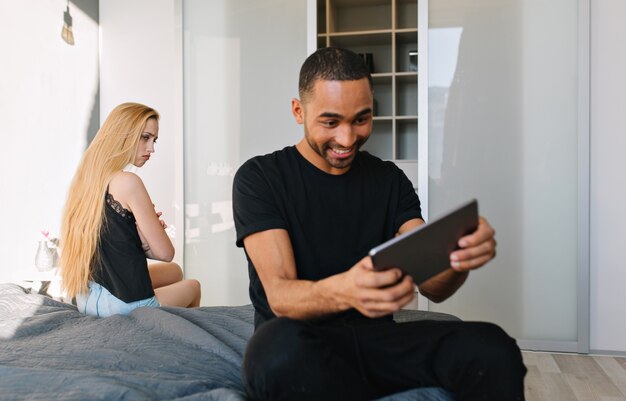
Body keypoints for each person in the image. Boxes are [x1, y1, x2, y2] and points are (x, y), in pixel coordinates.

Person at [233, 47, 526, 401]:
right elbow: (280, 296)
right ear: (299, 111)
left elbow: (435, 287)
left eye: (361, 119)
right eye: (330, 122)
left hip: (377, 343)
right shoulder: (260, 177)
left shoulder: (389, 180)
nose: (347, 138)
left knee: (492, 346)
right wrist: (347, 289)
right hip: (302, 342)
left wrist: (458, 257)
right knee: (274, 352)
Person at [59, 102, 201, 317]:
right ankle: (181, 343)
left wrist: (142, 239)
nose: (151, 148)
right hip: (121, 305)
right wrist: (154, 231)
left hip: (88, 298)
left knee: (175, 272)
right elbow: (166, 253)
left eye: (154, 140)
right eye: (145, 137)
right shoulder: (128, 181)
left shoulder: (85, 180)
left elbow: (113, 242)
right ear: (123, 135)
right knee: (193, 286)